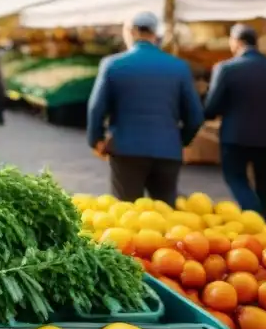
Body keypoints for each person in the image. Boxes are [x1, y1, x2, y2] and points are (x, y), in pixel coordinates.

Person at [87, 12, 205, 204]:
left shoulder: (112, 65)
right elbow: (195, 116)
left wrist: (96, 140)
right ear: (155, 34)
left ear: (131, 32)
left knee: (126, 213)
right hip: (168, 151)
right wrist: (180, 141)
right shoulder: (179, 67)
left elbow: (95, 109)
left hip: (126, 149)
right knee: (165, 213)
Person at [204, 24, 266, 219]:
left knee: (236, 179)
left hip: (235, 136)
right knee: (263, 186)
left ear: (235, 42)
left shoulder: (226, 68)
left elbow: (212, 107)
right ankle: (264, 226)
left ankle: (254, 215)